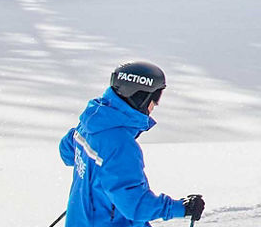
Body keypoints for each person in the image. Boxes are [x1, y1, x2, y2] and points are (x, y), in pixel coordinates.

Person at [61, 61, 206, 226]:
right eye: (155, 98)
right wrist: (182, 208)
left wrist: (92, 183)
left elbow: (66, 151)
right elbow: (135, 206)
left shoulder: (92, 121)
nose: (156, 105)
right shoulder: (119, 145)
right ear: (140, 96)